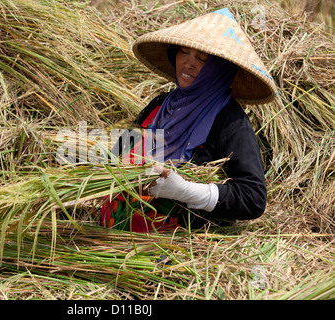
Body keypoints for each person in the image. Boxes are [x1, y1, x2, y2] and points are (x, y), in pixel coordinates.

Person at [100, 8, 277, 232]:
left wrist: (184, 190)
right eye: (184, 52)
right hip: (112, 228)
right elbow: (116, 156)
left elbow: (253, 199)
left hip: (166, 248)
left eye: (202, 59)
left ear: (220, 69)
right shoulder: (159, 105)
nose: (189, 63)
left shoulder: (230, 122)